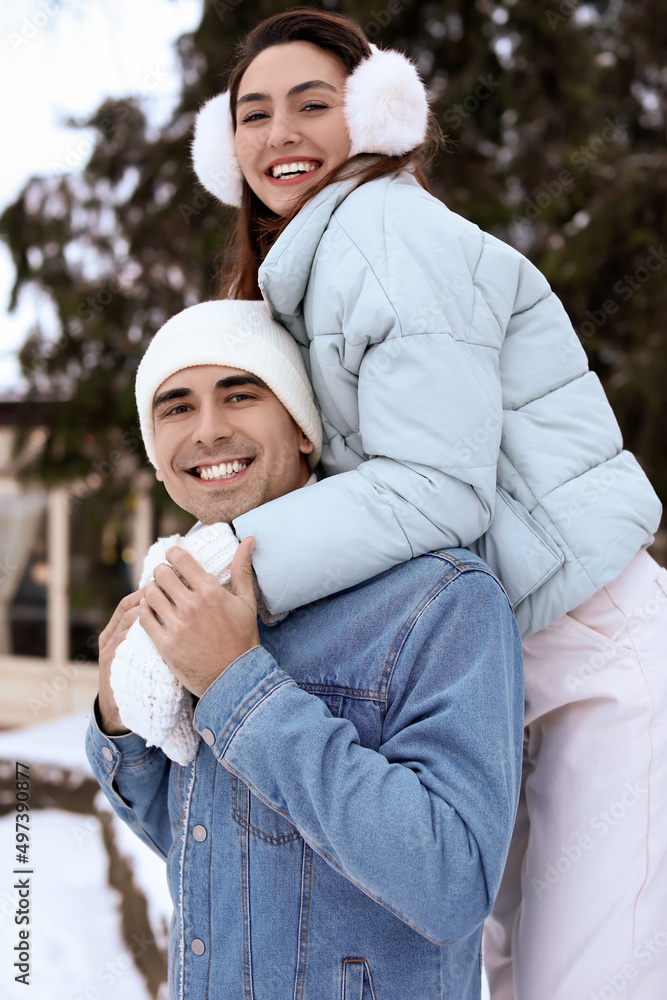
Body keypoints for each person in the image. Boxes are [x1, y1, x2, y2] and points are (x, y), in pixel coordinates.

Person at [189, 9, 667, 999]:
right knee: (517, 972)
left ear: (373, 116)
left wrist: (219, 562)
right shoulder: (308, 272)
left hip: (598, 650)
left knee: (585, 982)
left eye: (312, 105)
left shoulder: (382, 231)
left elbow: (431, 488)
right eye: (253, 113)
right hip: (500, 672)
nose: (279, 133)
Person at [86, 298, 523, 1000]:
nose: (209, 430)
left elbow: (452, 881)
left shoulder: (439, 596)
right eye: (175, 407)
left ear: (303, 431)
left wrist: (236, 683)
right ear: (156, 457)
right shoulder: (190, 590)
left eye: (240, 394)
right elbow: (213, 851)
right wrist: (120, 718)